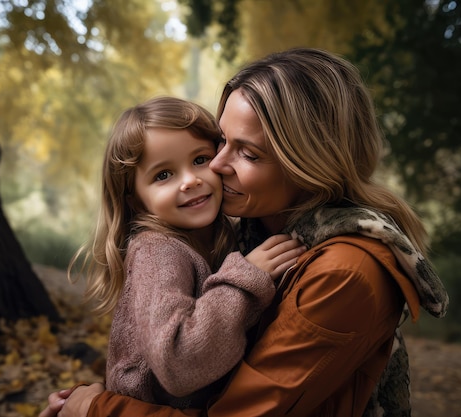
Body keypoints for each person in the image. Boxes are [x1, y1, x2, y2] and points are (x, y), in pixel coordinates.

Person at [40, 48, 449, 417]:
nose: (214, 167)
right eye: (220, 143)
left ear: (309, 162)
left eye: (247, 153)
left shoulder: (343, 272)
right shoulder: (237, 238)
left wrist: (98, 408)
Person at [58, 96, 305, 411]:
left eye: (200, 159)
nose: (190, 181)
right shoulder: (157, 252)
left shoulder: (218, 236)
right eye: (163, 175)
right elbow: (179, 363)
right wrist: (245, 278)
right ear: (135, 199)